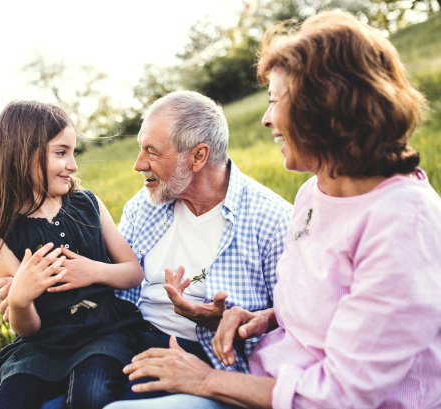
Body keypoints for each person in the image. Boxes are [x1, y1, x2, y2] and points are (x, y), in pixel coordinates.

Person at [108, 10, 441, 409]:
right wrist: (261, 318)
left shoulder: (404, 223)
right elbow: (315, 308)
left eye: (275, 101)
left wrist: (205, 379)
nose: (266, 119)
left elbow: (339, 396)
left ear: (324, 108)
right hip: (266, 379)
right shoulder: (314, 194)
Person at [0, 91, 293, 404]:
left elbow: (296, 321)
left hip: (204, 356)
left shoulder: (271, 220)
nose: (137, 164)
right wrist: (22, 296)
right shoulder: (145, 206)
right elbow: (108, 282)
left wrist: (222, 320)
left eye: (151, 151)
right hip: (131, 338)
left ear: (198, 157)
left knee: (97, 402)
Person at [0, 101, 163, 409]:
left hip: (103, 331)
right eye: (61, 152)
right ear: (22, 154)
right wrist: (20, 300)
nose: (73, 165)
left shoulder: (87, 204)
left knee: (92, 396)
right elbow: (27, 329)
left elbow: (132, 272)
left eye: (72, 152)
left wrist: (94, 271)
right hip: (42, 345)